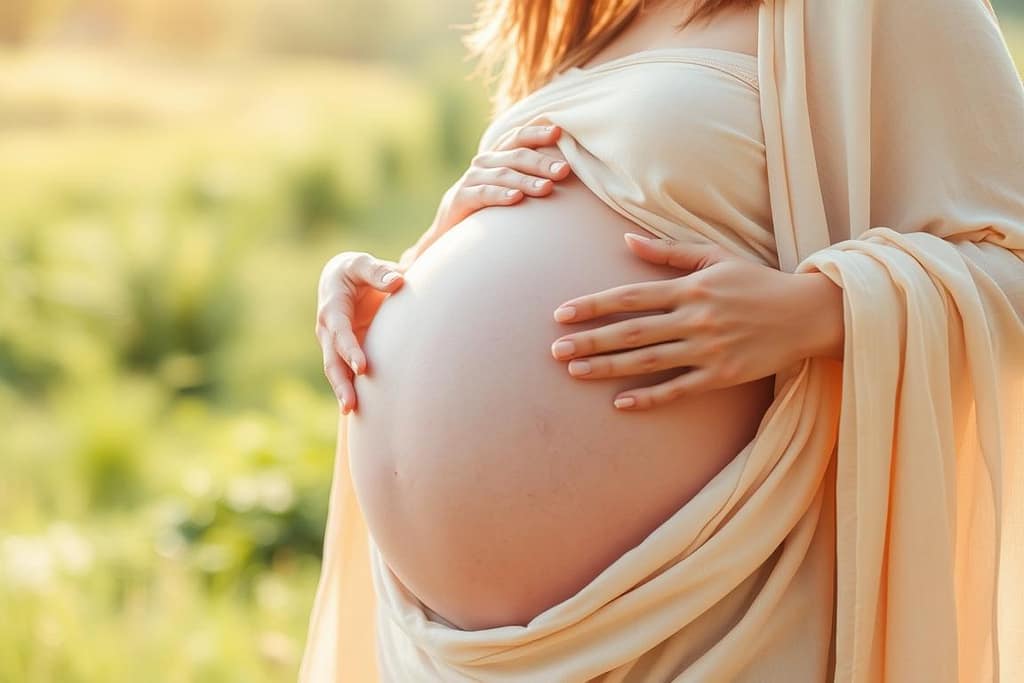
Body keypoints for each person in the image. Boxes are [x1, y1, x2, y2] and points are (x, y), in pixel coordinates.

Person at [302, 0, 1024, 680]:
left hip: (708, 612)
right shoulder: (588, 23)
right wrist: (406, 276)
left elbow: (1012, 265)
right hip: (437, 644)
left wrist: (816, 309)